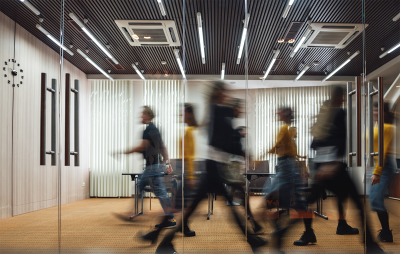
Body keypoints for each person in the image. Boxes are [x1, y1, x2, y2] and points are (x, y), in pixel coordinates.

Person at [155, 81, 267, 254]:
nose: (227, 95)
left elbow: (225, 138)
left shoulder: (214, 110)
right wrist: (244, 153)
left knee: (200, 206)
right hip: (213, 166)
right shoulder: (217, 110)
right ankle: (251, 240)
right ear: (218, 93)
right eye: (224, 92)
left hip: (214, 166)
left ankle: (163, 241)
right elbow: (226, 141)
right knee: (222, 205)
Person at [307, 86, 384, 253]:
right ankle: (370, 245)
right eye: (342, 97)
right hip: (334, 168)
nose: (343, 100)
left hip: (321, 168)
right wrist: (332, 162)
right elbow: (342, 140)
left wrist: (321, 165)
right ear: (339, 97)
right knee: (357, 202)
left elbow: (313, 144)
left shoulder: (322, 116)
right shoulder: (339, 113)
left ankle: (308, 232)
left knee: (311, 201)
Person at [113, 106, 176, 243]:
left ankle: (170, 218)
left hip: (152, 167)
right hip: (155, 166)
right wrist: (167, 163)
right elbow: (163, 146)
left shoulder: (148, 130)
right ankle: (134, 213)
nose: (140, 117)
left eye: (142, 114)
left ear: (148, 115)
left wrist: (123, 152)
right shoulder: (155, 129)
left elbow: (142, 147)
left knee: (159, 192)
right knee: (141, 186)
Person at [260, 107, 313, 251]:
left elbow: (278, 148)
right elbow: (292, 155)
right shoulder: (286, 130)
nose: (277, 113)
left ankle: (280, 234)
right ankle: (305, 233)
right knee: (286, 201)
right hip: (285, 166)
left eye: (279, 112)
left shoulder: (285, 128)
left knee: (278, 200)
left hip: (286, 167)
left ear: (284, 114)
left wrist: (260, 157)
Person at [370, 102, 395, 242]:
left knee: (375, 200)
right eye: (373, 111)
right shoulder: (378, 126)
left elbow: (383, 151)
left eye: (377, 111)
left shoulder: (386, 127)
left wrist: (377, 172)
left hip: (383, 165)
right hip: (378, 165)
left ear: (384, 113)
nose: (374, 113)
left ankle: (386, 233)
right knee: (375, 200)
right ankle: (386, 232)